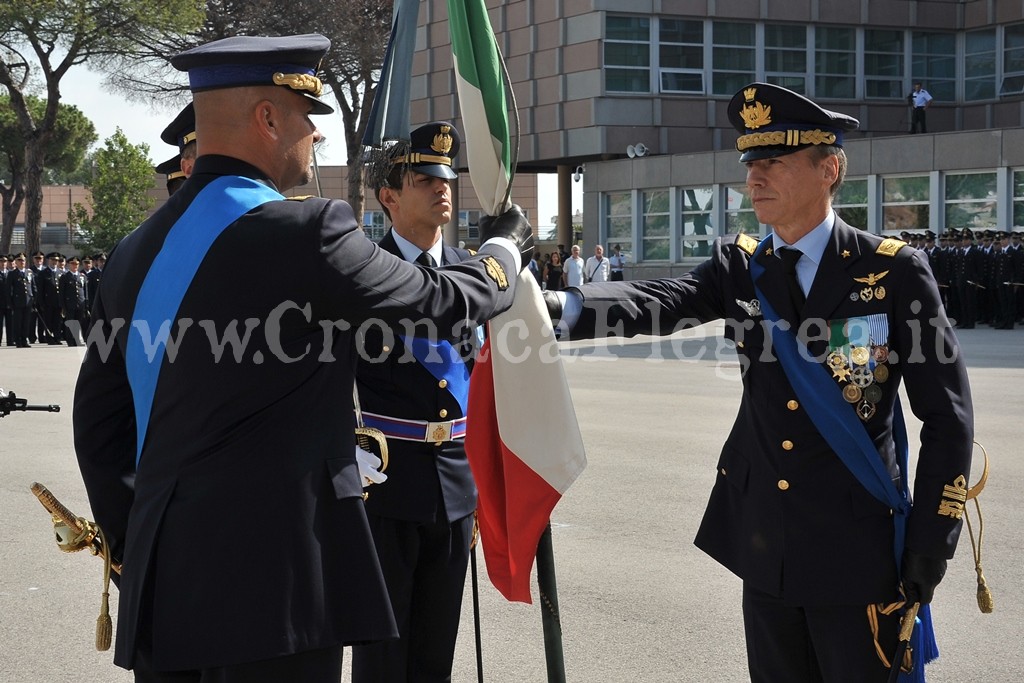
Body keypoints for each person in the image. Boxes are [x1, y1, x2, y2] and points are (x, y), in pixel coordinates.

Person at [72, 34, 533, 683]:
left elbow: (98, 423)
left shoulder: (135, 250)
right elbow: (440, 303)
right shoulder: (307, 233)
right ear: (267, 119)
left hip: (164, 591)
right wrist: (503, 253)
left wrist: (133, 547)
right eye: (306, 117)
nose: (315, 136)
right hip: (277, 596)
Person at [545, 83, 973, 682]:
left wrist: (933, 539)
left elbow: (948, 417)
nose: (755, 177)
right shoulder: (740, 265)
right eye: (751, 162)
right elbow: (658, 300)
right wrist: (552, 307)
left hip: (860, 552)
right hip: (767, 544)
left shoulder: (892, 271)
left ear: (830, 168)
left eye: (774, 162)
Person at [349, 121, 480, 682]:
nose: (441, 187)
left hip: (455, 481)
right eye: (425, 177)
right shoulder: (356, 271)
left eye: (446, 177)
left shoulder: (476, 274)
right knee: (383, 654)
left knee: (435, 654)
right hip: (383, 480)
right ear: (389, 196)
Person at [6, 253, 34, 348]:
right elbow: (9, 290)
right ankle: (18, 340)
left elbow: (33, 287)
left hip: (28, 301)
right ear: (16, 262)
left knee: (26, 322)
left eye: (23, 260)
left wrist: (33, 300)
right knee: (18, 322)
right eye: (20, 260)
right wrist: (10, 303)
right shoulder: (12, 274)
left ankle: (24, 339)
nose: (22, 262)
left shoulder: (29, 272)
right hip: (17, 302)